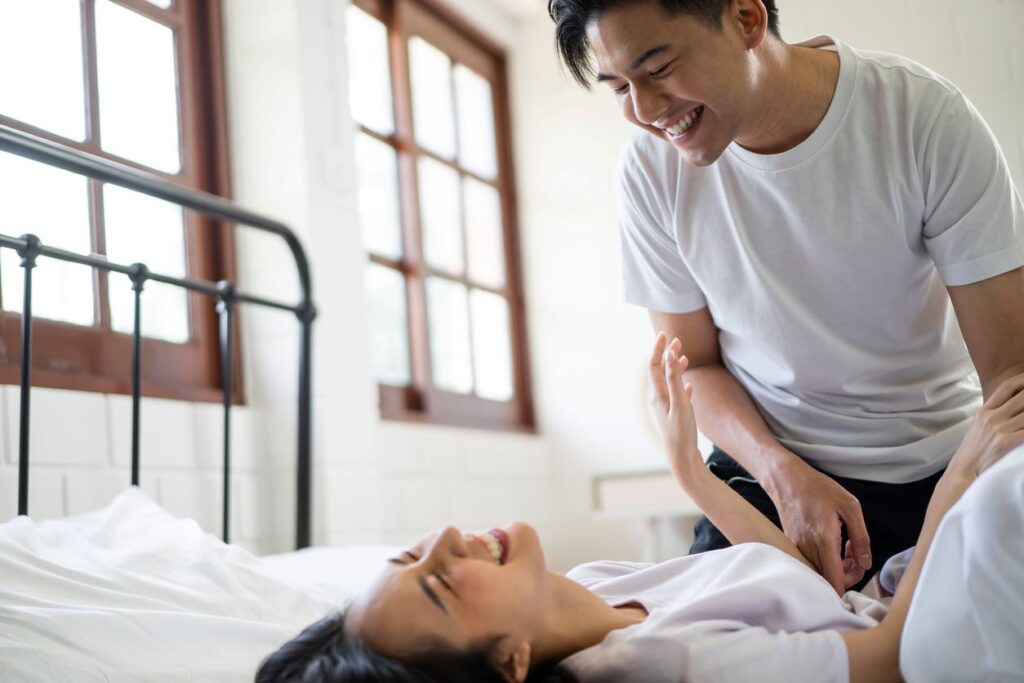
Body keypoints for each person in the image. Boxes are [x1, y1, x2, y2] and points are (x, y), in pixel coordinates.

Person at [549, 0, 1024, 593]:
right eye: (619, 87)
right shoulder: (650, 171)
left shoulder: (921, 117)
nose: (644, 112)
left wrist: (968, 490)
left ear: (746, 19)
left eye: (659, 68)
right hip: (769, 464)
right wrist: (780, 473)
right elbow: (693, 363)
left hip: (938, 461)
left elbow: (1011, 381)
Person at [256, 333, 1024, 683]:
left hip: (893, 599)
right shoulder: (664, 664)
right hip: (923, 645)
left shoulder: (593, 587)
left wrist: (690, 471)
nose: (448, 541)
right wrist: (956, 484)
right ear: (509, 661)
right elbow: (887, 666)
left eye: (411, 551)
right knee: (1002, 491)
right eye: (440, 582)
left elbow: (796, 594)